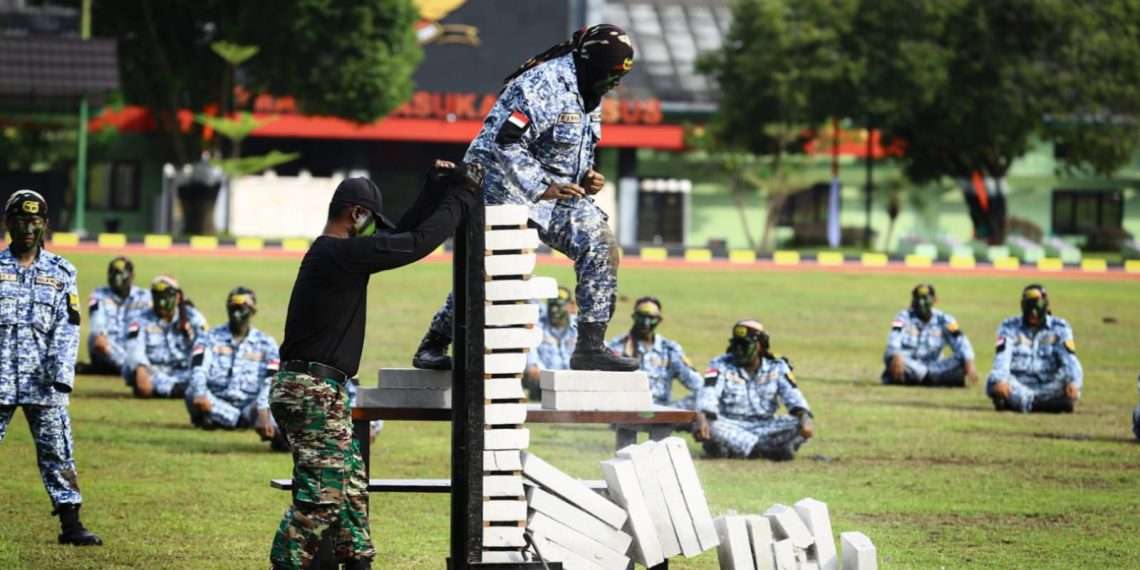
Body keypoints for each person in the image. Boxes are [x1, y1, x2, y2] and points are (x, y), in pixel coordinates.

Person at [269, 161, 482, 570]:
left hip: (319, 389)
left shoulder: (340, 254)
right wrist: (463, 195)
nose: (374, 232)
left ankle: (359, 564)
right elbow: (416, 243)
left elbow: (401, 236)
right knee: (321, 502)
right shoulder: (336, 253)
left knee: (350, 494)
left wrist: (433, 189)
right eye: (371, 222)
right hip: (310, 391)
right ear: (356, 214)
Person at [412, 23, 639, 374]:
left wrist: (586, 177)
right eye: (611, 74)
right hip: (498, 183)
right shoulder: (542, 84)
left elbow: (567, 146)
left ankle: (590, 346)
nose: (616, 83)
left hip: (553, 192)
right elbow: (505, 141)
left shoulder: (591, 89)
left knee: (600, 243)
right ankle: (434, 343)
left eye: (620, 76)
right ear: (590, 64)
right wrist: (541, 186)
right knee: (492, 270)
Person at [0, 190, 102, 545]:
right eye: (20, 221)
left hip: (44, 382)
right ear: (7, 224)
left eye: (34, 222)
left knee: (58, 454)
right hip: (0, 378)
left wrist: (61, 373)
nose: (27, 229)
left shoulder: (62, 272)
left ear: (45, 224)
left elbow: (68, 327)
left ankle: (71, 526)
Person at [693, 319, 814, 461]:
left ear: (760, 345)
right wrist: (701, 418)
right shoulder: (719, 364)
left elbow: (793, 396)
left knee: (797, 422)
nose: (738, 350)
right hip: (731, 425)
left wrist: (805, 418)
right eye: (735, 344)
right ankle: (768, 452)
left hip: (766, 426)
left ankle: (737, 450)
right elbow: (708, 393)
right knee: (710, 425)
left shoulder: (778, 366)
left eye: (744, 345)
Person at [186, 286, 284, 449]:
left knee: (279, 415)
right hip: (215, 400)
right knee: (192, 392)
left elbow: (271, 380)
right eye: (233, 308)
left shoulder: (267, 343)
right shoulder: (209, 337)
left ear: (253, 311)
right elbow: (198, 369)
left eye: (242, 309)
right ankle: (241, 421)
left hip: (251, 405)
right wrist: (201, 393)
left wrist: (261, 408)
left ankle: (224, 420)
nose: (236, 314)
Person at [986, 284, 1083, 413]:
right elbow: (1002, 358)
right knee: (993, 381)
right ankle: (1048, 405)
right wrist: (1001, 380)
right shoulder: (1008, 327)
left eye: (1037, 309)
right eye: (1029, 309)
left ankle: (1020, 403)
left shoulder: (1060, 328)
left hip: (1050, 384)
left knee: (1068, 381)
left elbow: (1070, 360)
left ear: (1047, 306)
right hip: (1018, 383)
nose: (1033, 314)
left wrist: (1074, 382)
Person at [607, 296, 702, 409]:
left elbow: (699, 385)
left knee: (705, 399)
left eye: (651, 318)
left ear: (659, 320)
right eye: (642, 317)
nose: (646, 323)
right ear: (634, 317)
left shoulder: (669, 350)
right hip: (626, 410)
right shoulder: (618, 347)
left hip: (662, 411)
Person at [122, 275, 208, 398]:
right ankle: (182, 390)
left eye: (166, 298)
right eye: (157, 297)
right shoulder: (139, 320)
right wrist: (140, 369)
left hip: (184, 370)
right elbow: (134, 348)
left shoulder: (192, 317)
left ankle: (171, 390)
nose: (161, 303)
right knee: (130, 370)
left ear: (177, 298)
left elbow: (208, 345)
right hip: (153, 370)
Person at [882, 283, 978, 387]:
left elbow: (960, 340)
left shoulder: (945, 319)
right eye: (917, 299)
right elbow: (894, 336)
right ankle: (938, 380)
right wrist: (896, 354)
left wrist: (969, 360)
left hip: (936, 367)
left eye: (925, 299)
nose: (921, 303)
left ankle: (921, 379)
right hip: (909, 363)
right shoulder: (902, 317)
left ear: (935, 300)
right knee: (890, 354)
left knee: (962, 357)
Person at [81, 256, 151, 375]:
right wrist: (100, 333)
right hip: (106, 348)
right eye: (113, 274)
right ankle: (132, 370)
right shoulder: (99, 294)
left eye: (121, 274)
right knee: (97, 338)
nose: (117, 278)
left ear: (132, 276)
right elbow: (96, 320)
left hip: (132, 349)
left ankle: (125, 368)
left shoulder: (144, 296)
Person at [523, 286, 577, 399]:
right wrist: (535, 367)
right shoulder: (538, 327)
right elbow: (532, 357)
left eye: (559, 306)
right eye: (551, 306)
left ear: (571, 307)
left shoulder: (580, 327)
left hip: (574, 380)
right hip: (544, 381)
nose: (554, 310)